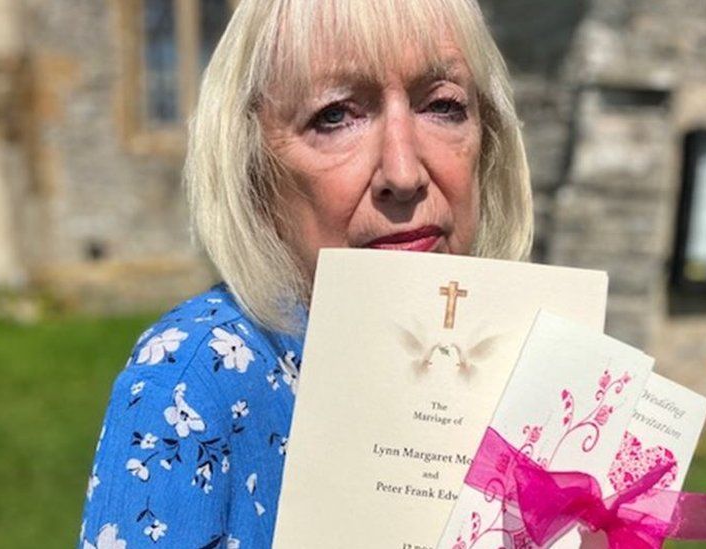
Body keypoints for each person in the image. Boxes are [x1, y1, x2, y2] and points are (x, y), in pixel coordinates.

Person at [77, 0, 532, 546]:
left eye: (441, 106)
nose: (403, 172)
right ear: (255, 170)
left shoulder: (534, 372)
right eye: (336, 115)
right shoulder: (190, 382)